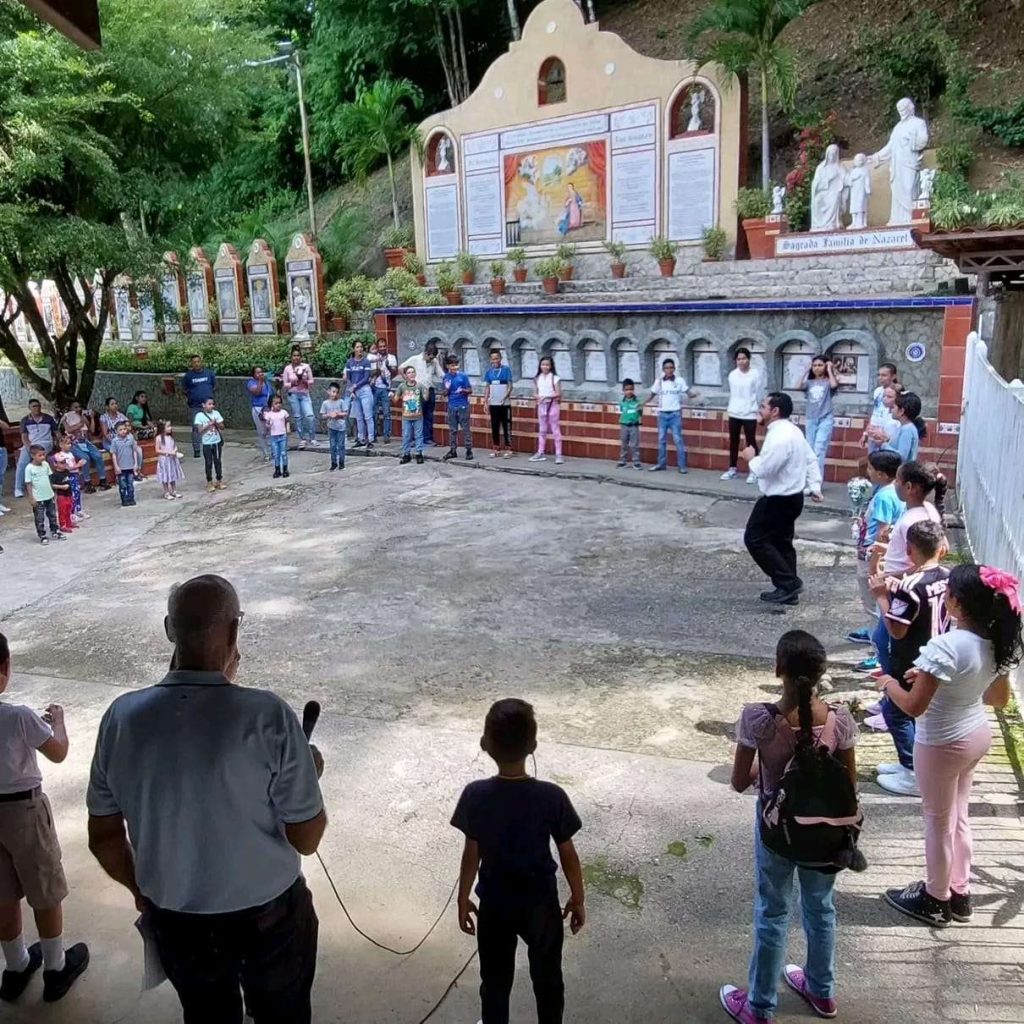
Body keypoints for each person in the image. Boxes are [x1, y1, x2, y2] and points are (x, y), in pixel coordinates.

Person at [87, 575, 327, 1023]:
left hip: (177, 920)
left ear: (168, 629)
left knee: (206, 1015)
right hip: (270, 920)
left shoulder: (120, 718)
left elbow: (103, 837)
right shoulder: (267, 715)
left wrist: (143, 893)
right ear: (234, 633)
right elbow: (307, 837)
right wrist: (307, 777)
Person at [721, 630, 858, 1024]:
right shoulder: (840, 720)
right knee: (821, 908)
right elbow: (848, 785)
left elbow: (739, 782)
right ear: (820, 673)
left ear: (778, 669)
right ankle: (822, 990)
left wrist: (768, 769)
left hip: (777, 832)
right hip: (826, 835)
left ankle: (760, 1006)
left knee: (773, 912)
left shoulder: (758, 719)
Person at [881, 564, 1022, 927]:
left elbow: (913, 706)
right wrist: (934, 678)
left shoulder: (945, 645)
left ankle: (934, 898)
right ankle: (960, 893)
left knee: (937, 822)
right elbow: (998, 698)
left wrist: (887, 682)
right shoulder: (994, 642)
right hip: (975, 733)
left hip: (941, 743)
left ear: (955, 602)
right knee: (959, 818)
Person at [452, 698, 585, 1024]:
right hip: (540, 903)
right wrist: (578, 897)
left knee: (495, 982)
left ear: (485, 745)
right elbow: (568, 854)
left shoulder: (475, 795)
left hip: (495, 905)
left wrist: (462, 897)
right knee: (548, 978)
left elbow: (472, 854)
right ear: (534, 746)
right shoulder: (552, 796)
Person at [0, 631, 89, 1003]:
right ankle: (55, 966)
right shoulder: (20, 716)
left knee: (2, 892)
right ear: (5, 667)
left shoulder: (19, 719)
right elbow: (58, 752)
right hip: (25, 812)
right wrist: (57, 721)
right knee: (44, 887)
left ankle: (16, 965)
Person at [869, 521, 951, 797]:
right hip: (937, 651)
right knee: (922, 714)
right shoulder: (947, 576)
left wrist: (881, 597)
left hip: (910, 658)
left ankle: (912, 770)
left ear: (908, 549)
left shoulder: (909, 588)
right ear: (941, 548)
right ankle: (914, 764)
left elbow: (897, 631)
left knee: (897, 712)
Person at [742, 393, 823, 605]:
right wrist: (814, 485)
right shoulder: (793, 431)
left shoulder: (780, 436)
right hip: (792, 497)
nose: (759, 410)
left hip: (777, 499)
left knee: (755, 538)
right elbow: (811, 459)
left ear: (775, 411)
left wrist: (751, 458)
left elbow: (765, 469)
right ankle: (787, 591)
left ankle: (789, 583)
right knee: (781, 543)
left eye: (763, 406)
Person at [851, 451, 905, 675]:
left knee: (872, 605)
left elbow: (883, 532)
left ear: (882, 474)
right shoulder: (894, 493)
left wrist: (874, 560)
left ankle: (877, 652)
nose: (868, 471)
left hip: (872, 557)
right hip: (885, 557)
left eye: (871, 468)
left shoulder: (883, 496)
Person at [870, 98, 929, 226]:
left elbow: (923, 140)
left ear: (910, 108)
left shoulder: (918, 123)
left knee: (909, 190)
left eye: (903, 108)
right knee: (897, 192)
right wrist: (877, 156)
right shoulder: (898, 127)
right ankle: (898, 220)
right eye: (899, 110)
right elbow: (890, 147)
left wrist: (911, 141)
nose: (901, 112)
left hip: (909, 163)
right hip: (897, 165)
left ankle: (912, 219)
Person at [647, 358, 698, 474]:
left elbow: (689, 393)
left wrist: (696, 395)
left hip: (675, 414)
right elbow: (652, 394)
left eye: (671, 367)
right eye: (666, 368)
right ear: (663, 369)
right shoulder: (659, 381)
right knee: (661, 440)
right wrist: (641, 403)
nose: (669, 370)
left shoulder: (679, 381)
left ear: (674, 369)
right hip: (662, 414)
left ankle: (681, 466)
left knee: (678, 440)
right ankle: (661, 464)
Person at [722, 348, 762, 483]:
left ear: (749, 359)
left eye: (744, 358)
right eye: (738, 359)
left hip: (750, 412)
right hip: (734, 411)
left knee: (751, 442)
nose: (741, 361)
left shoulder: (755, 374)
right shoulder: (732, 375)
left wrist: (759, 411)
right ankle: (732, 468)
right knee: (734, 441)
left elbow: (758, 392)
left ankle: (754, 471)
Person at [802, 356, 839, 481]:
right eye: (815, 365)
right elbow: (798, 386)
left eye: (820, 365)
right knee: (810, 450)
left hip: (825, 418)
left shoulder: (828, 382)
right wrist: (806, 370)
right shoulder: (809, 382)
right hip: (811, 418)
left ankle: (816, 482)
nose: (817, 368)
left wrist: (829, 369)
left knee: (819, 449)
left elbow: (834, 385)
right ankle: (809, 480)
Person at [399, 341, 443, 446]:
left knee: (429, 415)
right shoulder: (415, 359)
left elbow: (441, 374)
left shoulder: (434, 362)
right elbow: (401, 368)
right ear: (426, 353)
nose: (431, 360)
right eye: (430, 357)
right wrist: (409, 381)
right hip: (417, 390)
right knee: (416, 415)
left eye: (433, 358)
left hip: (429, 389)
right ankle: (414, 439)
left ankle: (427, 438)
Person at [59, 402, 108, 493]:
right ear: (71, 408)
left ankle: (103, 480)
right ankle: (87, 483)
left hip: (85, 442)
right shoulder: (67, 418)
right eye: (75, 407)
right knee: (85, 458)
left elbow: (91, 430)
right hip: (73, 443)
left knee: (98, 455)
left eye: (79, 407)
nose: (78, 409)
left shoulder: (83, 417)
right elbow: (69, 430)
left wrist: (92, 418)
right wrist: (81, 423)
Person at [14, 400, 58, 499]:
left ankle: (45, 486)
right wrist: (29, 448)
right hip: (31, 444)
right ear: (29, 408)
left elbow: (56, 432)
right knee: (22, 463)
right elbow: (24, 437)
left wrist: (59, 441)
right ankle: (18, 488)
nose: (36, 408)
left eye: (38, 406)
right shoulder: (25, 420)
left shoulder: (48, 418)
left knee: (40, 458)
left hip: (45, 443)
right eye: (34, 406)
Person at [24, 446, 63, 544]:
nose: (42, 457)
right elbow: (28, 484)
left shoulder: (45, 464)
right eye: (39, 455)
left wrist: (52, 491)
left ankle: (55, 530)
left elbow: (49, 479)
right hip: (38, 498)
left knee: (52, 514)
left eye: (43, 455)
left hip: (49, 495)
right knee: (39, 517)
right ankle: (42, 535)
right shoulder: (29, 468)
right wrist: (31, 497)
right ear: (33, 456)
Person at [529, 355, 564, 465]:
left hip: (552, 405)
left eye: (547, 365)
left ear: (551, 366)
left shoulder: (555, 378)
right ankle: (540, 452)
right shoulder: (537, 378)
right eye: (543, 364)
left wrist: (548, 397)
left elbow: (558, 393)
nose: (545, 367)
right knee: (542, 430)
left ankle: (559, 454)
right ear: (540, 366)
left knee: (555, 429)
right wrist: (538, 397)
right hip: (541, 405)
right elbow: (534, 392)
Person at [99, 398, 144, 480]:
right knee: (119, 452)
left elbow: (128, 427)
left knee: (138, 450)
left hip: (124, 440)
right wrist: (117, 442)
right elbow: (105, 434)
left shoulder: (121, 416)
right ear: (107, 407)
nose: (115, 405)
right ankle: (120, 475)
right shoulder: (103, 417)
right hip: (110, 442)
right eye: (112, 404)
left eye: (116, 403)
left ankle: (137, 471)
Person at [181, 354, 217, 459]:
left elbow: (214, 386)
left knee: (211, 425)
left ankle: (211, 445)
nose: (196, 364)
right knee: (197, 427)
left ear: (201, 362)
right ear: (191, 364)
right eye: (194, 362)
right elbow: (184, 389)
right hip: (195, 405)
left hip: (208, 405)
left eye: (198, 361)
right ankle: (197, 449)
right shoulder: (188, 376)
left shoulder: (209, 373)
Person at [282, 346, 317, 450]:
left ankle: (312, 437)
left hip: (304, 394)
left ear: (301, 357)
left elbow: (312, 381)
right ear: (291, 357)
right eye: (294, 355)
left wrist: (304, 380)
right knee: (298, 417)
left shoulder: (306, 367)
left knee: (310, 415)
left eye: (298, 355)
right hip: (293, 395)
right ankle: (302, 438)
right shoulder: (287, 368)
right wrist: (294, 381)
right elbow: (285, 384)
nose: (296, 357)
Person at [343, 340, 376, 450]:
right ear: (354, 349)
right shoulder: (350, 362)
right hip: (355, 392)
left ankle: (370, 439)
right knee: (359, 417)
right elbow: (348, 378)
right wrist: (351, 389)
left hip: (365, 390)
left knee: (368, 416)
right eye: (357, 347)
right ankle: (361, 438)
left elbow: (366, 378)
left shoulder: (366, 362)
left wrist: (355, 386)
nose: (360, 349)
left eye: (361, 347)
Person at [860, 363, 899, 453]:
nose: (880, 378)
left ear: (893, 376)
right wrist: (866, 433)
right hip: (874, 433)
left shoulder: (898, 392)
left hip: (889, 434)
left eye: (884, 375)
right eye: (879, 375)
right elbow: (875, 412)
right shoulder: (877, 391)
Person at [442, 353, 474, 462]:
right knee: (453, 430)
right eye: (452, 365)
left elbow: (470, 390)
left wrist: (463, 390)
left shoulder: (463, 376)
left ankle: (468, 449)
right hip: (452, 405)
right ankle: (453, 450)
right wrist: (447, 388)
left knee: (465, 428)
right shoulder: (446, 377)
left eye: (456, 365)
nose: (454, 367)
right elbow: (445, 393)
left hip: (463, 405)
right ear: (448, 366)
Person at [50, 434, 87, 523]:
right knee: (72, 494)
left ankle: (79, 510)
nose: (69, 445)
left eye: (70, 443)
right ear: (61, 445)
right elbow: (68, 468)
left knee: (77, 492)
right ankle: (72, 513)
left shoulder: (70, 454)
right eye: (67, 444)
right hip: (69, 476)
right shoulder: (60, 456)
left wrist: (77, 467)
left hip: (75, 475)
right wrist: (79, 465)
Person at [484, 349, 514, 458]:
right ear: (490, 360)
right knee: (495, 426)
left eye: (497, 358)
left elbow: (510, 386)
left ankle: (508, 448)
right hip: (494, 403)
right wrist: (485, 401)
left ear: (500, 358)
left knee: (507, 426)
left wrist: (505, 396)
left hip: (504, 404)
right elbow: (487, 387)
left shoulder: (506, 370)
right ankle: (496, 448)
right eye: (493, 359)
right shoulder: (489, 372)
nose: (495, 360)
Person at [396, 366, 428, 465]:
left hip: (418, 415)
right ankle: (406, 454)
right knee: (406, 435)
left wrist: (426, 392)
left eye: (413, 372)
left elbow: (425, 399)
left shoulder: (420, 386)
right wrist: (395, 396)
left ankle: (419, 454)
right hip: (406, 416)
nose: (412, 374)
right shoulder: (402, 386)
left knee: (419, 435)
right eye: (409, 373)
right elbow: (395, 399)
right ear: (405, 375)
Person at [883, 391, 925, 463]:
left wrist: (883, 445)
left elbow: (901, 456)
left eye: (893, 407)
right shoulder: (904, 427)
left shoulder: (907, 430)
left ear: (901, 411)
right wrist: (886, 440)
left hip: (905, 471)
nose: (891, 410)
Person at [194, 397, 225, 493]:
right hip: (207, 443)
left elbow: (223, 427)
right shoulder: (199, 416)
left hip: (216, 442)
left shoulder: (216, 413)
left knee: (218, 461)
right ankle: (209, 481)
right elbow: (199, 430)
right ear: (203, 405)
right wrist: (208, 425)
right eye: (209, 404)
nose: (211, 406)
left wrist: (217, 423)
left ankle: (219, 480)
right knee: (208, 462)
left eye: (212, 404)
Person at [368, 340, 397, 443]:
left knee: (386, 413)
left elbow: (394, 372)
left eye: (384, 346)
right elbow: (369, 373)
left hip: (385, 388)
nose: (382, 348)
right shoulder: (373, 358)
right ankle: (374, 434)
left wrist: (388, 366)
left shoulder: (391, 358)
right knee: (374, 412)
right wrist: (377, 370)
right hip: (374, 388)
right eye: (380, 346)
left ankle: (386, 435)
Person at [319, 382, 349, 471]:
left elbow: (346, 413)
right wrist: (329, 415)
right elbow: (322, 415)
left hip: (341, 427)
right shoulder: (325, 403)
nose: (334, 394)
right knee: (332, 446)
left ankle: (341, 463)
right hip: (331, 427)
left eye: (336, 392)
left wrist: (339, 414)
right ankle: (333, 463)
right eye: (333, 392)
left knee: (341, 445)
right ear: (328, 391)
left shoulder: (341, 402)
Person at [246, 367, 274, 460]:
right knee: (262, 432)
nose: (260, 374)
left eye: (261, 372)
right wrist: (261, 382)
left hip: (268, 408)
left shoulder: (267, 383)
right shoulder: (251, 383)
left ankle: (274, 451)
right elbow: (257, 392)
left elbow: (272, 395)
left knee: (271, 430)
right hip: (258, 409)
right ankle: (266, 453)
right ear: (253, 374)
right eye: (258, 373)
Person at [110, 422, 139, 507]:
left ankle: (131, 498)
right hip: (121, 468)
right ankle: (124, 499)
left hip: (130, 466)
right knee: (123, 485)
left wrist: (135, 464)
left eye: (124, 429)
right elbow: (114, 454)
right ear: (116, 431)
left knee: (130, 484)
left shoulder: (130, 438)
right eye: (120, 430)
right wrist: (116, 466)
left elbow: (134, 451)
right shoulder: (115, 441)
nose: (123, 431)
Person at [155, 420, 185, 500]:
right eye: (168, 426)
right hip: (164, 459)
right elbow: (157, 450)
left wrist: (175, 450)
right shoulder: (158, 438)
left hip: (172, 459)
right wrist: (168, 452)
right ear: (162, 428)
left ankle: (174, 490)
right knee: (165, 475)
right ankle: (166, 492)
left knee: (172, 474)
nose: (170, 428)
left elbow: (174, 446)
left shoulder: (171, 437)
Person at [617, 378, 643, 469]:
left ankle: (636, 462)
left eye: (631, 389)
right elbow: (621, 412)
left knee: (634, 444)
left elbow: (640, 413)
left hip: (634, 426)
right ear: (623, 390)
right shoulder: (622, 402)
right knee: (624, 444)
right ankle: (622, 461)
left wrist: (639, 421)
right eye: (627, 390)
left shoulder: (637, 402)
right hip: (624, 425)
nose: (629, 392)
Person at [264, 395, 291, 479]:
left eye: (280, 403)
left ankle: (285, 469)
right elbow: (267, 425)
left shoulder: (284, 412)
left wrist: (288, 428)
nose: (278, 405)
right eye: (276, 403)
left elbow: (287, 421)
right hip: (274, 436)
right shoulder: (269, 414)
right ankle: (277, 469)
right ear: (271, 404)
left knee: (283, 453)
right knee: (276, 454)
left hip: (282, 435)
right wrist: (268, 424)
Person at [49, 462, 75, 533]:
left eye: (64, 463)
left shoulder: (66, 471)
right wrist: (61, 487)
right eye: (61, 463)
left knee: (69, 508)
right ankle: (63, 525)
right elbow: (51, 485)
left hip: (69, 493)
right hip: (61, 495)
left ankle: (69, 523)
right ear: (56, 464)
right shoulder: (54, 475)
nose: (64, 464)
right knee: (62, 510)